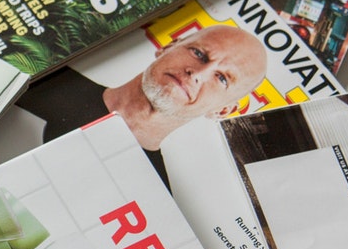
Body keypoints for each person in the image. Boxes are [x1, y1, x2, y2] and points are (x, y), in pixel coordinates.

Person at [19, 24, 268, 177]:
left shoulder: (154, 193)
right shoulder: (38, 80)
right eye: (198, 53)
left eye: (222, 79)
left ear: (223, 110)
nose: (197, 74)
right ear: (169, 46)